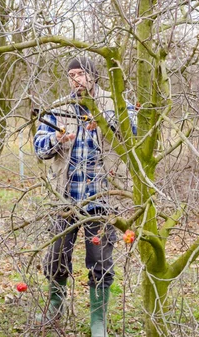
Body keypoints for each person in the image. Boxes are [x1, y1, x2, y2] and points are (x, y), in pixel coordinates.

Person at [34, 56, 136, 337]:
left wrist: (104, 122)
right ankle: (55, 307)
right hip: (65, 198)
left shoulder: (114, 104)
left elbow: (133, 135)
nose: (76, 79)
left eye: (81, 74)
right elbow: (39, 148)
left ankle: (97, 321)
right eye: (72, 74)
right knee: (56, 257)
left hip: (103, 198)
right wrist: (57, 140)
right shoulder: (60, 108)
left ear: (93, 76)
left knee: (100, 261)